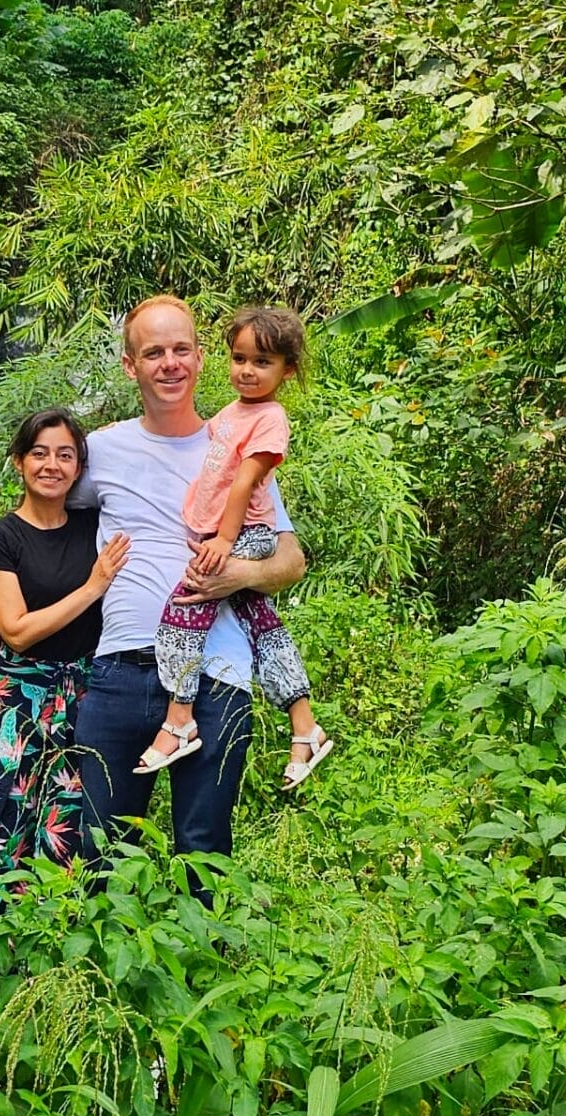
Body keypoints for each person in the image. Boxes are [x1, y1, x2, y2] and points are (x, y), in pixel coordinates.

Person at [68, 295, 307, 868]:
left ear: (201, 358)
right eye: (154, 352)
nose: (169, 363)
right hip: (119, 670)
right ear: (131, 366)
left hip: (217, 674)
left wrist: (235, 576)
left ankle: (206, 954)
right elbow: (51, 532)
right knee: (100, 848)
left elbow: (290, 560)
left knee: (203, 848)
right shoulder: (99, 450)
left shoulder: (239, 443)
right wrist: (12, 620)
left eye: (181, 349)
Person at [0, 409, 131, 952]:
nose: (51, 465)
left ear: (79, 468)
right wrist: (94, 586)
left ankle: (47, 959)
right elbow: (18, 631)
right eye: (40, 453)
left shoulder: (94, 526)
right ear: (19, 461)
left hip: (83, 695)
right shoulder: (2, 538)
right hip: (18, 698)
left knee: (66, 823)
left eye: (65, 454)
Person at [138, 305, 333, 790]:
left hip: (243, 533)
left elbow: (244, 482)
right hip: (222, 532)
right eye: (239, 358)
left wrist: (224, 541)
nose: (247, 370)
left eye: (262, 362)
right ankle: (305, 726)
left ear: (287, 370)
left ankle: (179, 719)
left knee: (182, 611)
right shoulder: (232, 412)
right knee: (262, 625)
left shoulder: (270, 418)